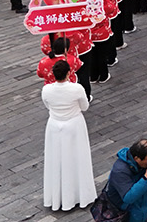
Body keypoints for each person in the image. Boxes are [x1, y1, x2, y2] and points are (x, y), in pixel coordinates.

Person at [40, 59, 96, 211]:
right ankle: (80, 195)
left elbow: (47, 105)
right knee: (78, 158)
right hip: (74, 125)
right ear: (69, 73)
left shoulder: (47, 90)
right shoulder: (76, 88)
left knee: (56, 159)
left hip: (54, 125)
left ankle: (58, 196)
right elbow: (85, 106)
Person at [99, 139, 147, 222]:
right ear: (137, 158)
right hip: (124, 214)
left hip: (140, 211)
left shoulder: (142, 163)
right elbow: (129, 197)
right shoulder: (120, 171)